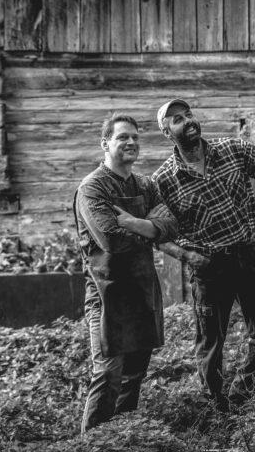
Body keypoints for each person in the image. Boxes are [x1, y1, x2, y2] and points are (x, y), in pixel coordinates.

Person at [151, 99, 255, 410]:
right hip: (208, 267)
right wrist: (188, 257)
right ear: (167, 132)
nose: (187, 121)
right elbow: (157, 234)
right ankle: (217, 407)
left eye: (188, 114)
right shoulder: (163, 180)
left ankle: (241, 395)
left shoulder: (232, 149)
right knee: (211, 344)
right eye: (177, 119)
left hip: (247, 255)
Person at [73, 114, 178, 432]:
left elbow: (171, 226)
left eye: (135, 137)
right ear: (105, 143)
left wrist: (133, 223)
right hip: (107, 294)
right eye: (122, 137)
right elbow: (110, 240)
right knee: (108, 373)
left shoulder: (146, 185)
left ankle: (122, 436)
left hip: (142, 287)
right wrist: (151, 230)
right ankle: (91, 441)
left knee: (135, 372)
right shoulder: (92, 188)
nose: (131, 142)